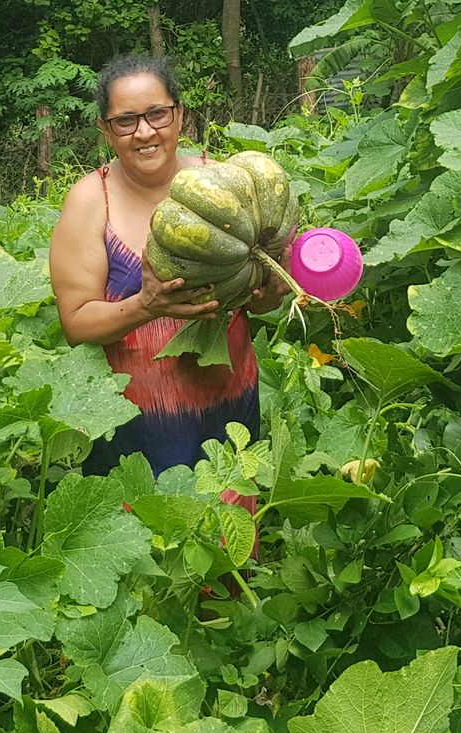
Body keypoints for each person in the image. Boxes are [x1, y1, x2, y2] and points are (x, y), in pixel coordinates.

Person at [49, 53, 288, 476]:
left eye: (157, 113)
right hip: (132, 423)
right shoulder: (90, 201)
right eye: (126, 120)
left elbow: (251, 301)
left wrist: (268, 294)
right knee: (143, 533)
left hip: (227, 408)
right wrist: (146, 306)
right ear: (106, 130)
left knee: (226, 530)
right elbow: (76, 323)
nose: (144, 132)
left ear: (180, 116)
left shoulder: (229, 184)